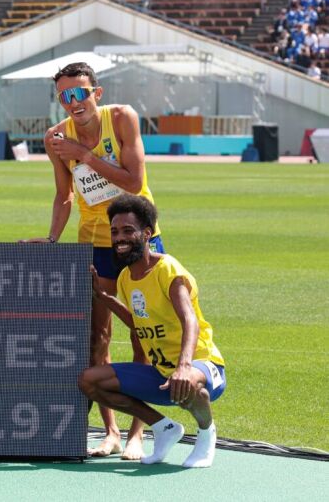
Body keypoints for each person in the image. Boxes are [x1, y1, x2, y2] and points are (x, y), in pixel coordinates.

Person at [20, 61, 164, 459]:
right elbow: (65, 195)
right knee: (96, 337)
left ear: (95, 94)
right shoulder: (55, 139)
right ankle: (112, 431)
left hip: (137, 239)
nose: (73, 102)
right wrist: (51, 238)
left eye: (80, 93)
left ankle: (140, 434)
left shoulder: (121, 118)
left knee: (143, 331)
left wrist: (83, 153)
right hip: (94, 242)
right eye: (64, 96)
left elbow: (133, 182)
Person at [79, 195, 226, 468]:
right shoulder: (125, 277)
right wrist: (103, 297)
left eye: (127, 231)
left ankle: (206, 434)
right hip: (162, 376)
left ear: (146, 234)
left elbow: (189, 320)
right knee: (89, 381)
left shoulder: (167, 269)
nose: (119, 238)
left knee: (193, 386)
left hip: (203, 367)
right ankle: (163, 427)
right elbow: (139, 323)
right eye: (114, 231)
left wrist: (184, 366)